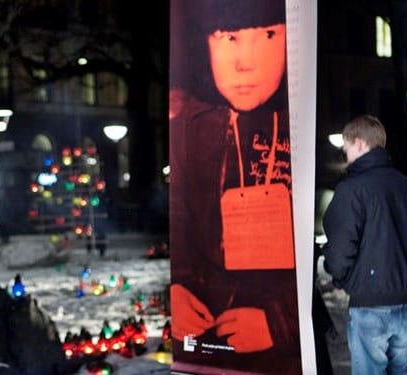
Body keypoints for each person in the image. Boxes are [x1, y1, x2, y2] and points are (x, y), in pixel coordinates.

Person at [169, 0, 301, 373]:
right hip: (210, 347)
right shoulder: (189, 130)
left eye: (268, 35)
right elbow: (180, 220)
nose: (245, 61)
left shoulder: (304, 126)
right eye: (228, 37)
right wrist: (178, 289)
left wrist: (280, 322)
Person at [322, 115, 407, 374]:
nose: (345, 153)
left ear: (361, 144)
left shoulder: (352, 189)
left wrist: (340, 276)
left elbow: (340, 249)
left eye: (347, 147)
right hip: (406, 304)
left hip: (369, 306)